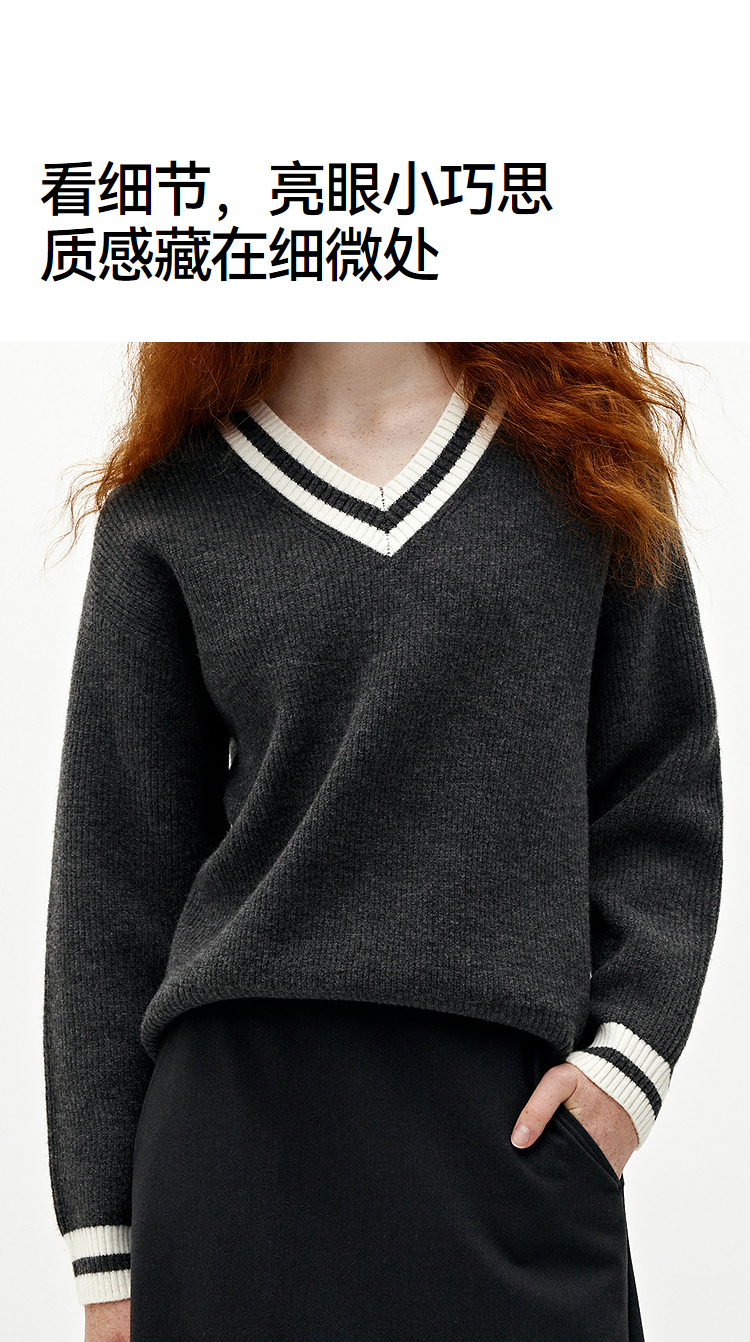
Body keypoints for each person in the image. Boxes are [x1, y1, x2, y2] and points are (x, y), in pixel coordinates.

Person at [44, 342, 723, 1342]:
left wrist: (627, 1067)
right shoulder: (171, 506)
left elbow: (663, 784)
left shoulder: (588, 466)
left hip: (512, 1149)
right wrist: (108, 1253)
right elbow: (112, 885)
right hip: (235, 1162)